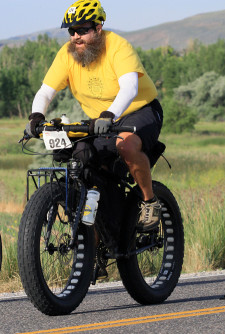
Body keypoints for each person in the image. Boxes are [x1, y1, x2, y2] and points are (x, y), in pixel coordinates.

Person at [25, 0, 164, 231]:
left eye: (83, 30)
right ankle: (97, 240)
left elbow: (130, 88)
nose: (76, 37)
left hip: (139, 110)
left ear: (98, 28)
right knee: (82, 157)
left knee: (126, 146)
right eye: (72, 31)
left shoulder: (118, 46)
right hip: (101, 120)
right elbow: (46, 91)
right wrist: (36, 117)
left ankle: (150, 201)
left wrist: (110, 115)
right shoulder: (67, 54)